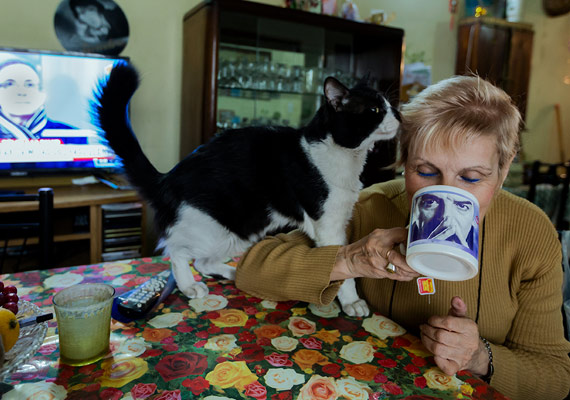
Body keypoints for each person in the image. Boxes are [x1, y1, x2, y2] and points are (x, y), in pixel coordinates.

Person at [235, 75, 570, 399]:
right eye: (425, 171)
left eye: (470, 177)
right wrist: (350, 260)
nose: (444, 195)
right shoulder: (369, 207)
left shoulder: (531, 234)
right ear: (404, 162)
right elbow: (253, 268)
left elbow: (555, 379)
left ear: (504, 168)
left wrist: (480, 359)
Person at [0, 60, 74, 140]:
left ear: (41, 92)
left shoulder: (71, 135)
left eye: (29, 85)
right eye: (9, 84)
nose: (21, 92)